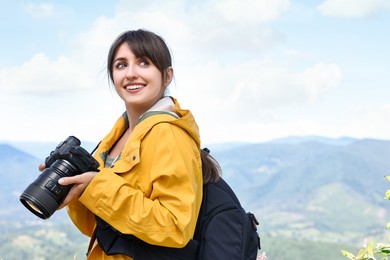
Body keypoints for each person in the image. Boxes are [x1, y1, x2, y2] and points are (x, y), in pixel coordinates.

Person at [40, 29, 213, 259]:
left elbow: (175, 227)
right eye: (121, 65)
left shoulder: (169, 133)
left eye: (143, 63)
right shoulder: (114, 137)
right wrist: (74, 189)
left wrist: (97, 187)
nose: (131, 73)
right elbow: (99, 227)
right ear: (113, 76)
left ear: (167, 75)